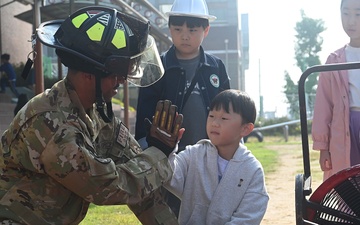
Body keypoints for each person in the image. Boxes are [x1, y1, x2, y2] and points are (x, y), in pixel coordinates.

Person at [0, 6, 184, 225]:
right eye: (116, 74)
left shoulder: (97, 112)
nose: (122, 81)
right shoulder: (52, 124)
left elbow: (139, 182)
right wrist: (159, 153)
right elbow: (109, 188)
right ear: (89, 74)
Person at [135, 0, 230, 216]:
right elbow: (144, 117)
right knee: (172, 213)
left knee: (211, 213)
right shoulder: (157, 67)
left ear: (206, 30)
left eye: (193, 30)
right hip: (167, 161)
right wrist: (146, 154)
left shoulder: (216, 67)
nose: (184, 35)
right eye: (178, 29)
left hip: (209, 159)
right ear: (170, 29)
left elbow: (230, 113)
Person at [164, 89, 269, 225]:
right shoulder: (194, 154)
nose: (214, 123)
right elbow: (169, 176)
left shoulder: (252, 170)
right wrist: (166, 150)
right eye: (211, 116)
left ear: (246, 129)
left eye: (224, 118)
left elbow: (248, 218)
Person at [312, 0, 360, 181]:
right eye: (346, 13)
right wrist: (323, 147)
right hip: (344, 128)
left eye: (358, 14)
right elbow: (323, 106)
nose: (351, 21)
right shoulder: (334, 60)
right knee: (346, 183)